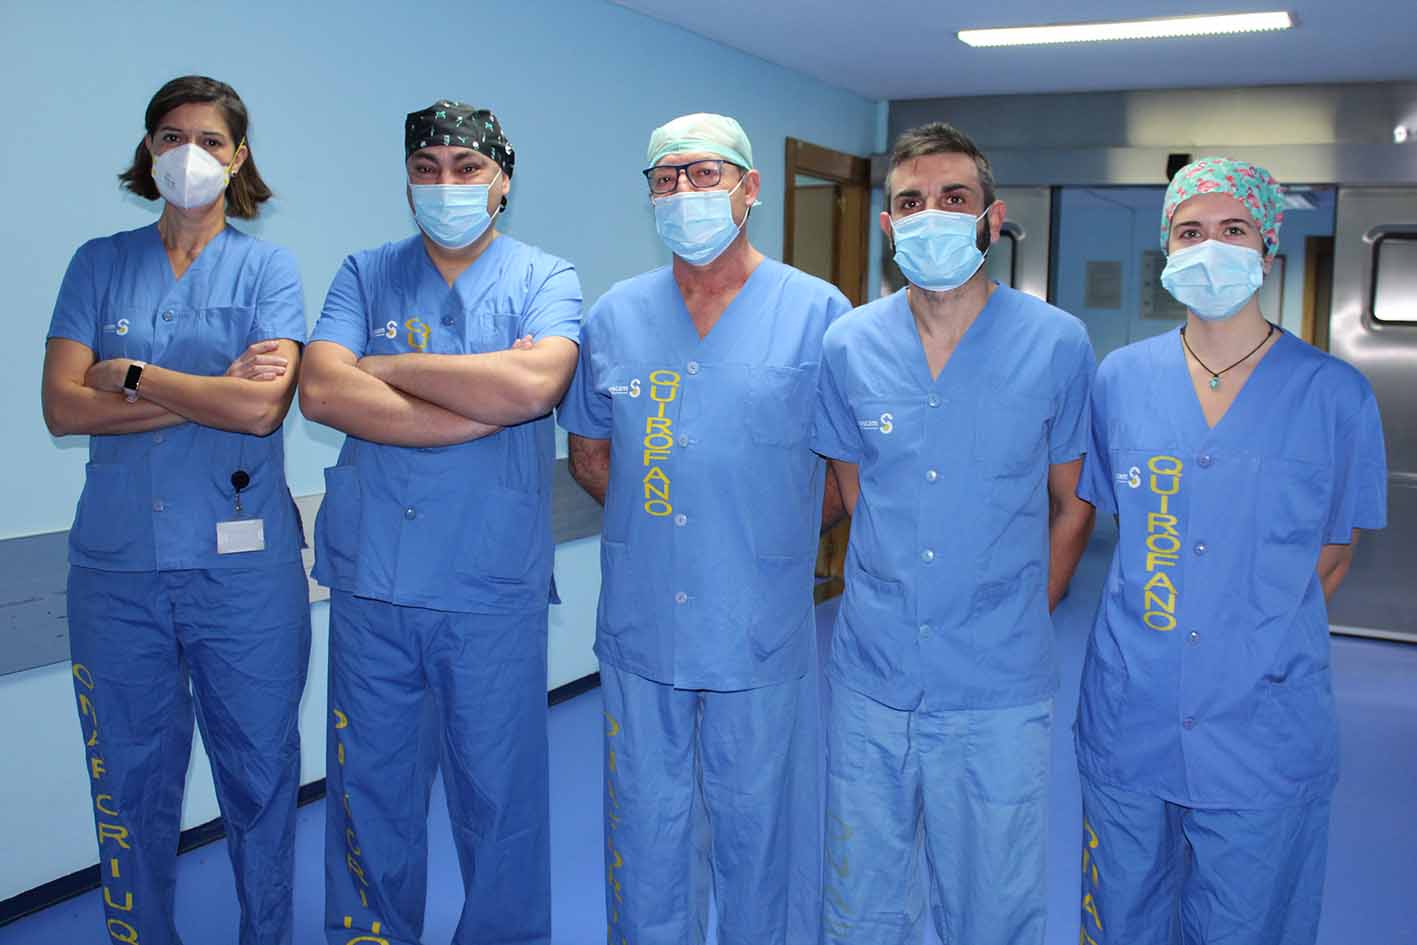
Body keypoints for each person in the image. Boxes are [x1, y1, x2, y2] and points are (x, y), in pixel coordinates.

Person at [1073, 157, 1388, 945]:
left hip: (1262, 721)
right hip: (1131, 709)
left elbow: (1333, 553)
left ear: (1266, 248)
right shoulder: (1121, 380)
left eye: (1232, 228)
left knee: (1248, 924)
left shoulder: (1333, 393)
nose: (1209, 245)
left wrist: (1244, 639)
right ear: (1166, 251)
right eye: (1189, 231)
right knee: (1121, 919)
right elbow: (1120, 528)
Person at [559, 113, 850, 945]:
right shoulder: (616, 317)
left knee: (762, 834)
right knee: (643, 831)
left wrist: (767, 536)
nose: (683, 193)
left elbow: (840, 474)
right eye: (665, 178)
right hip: (643, 622)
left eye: (704, 174)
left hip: (759, 627)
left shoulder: (816, 312)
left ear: (749, 189)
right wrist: (666, 529)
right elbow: (589, 454)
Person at [298, 100, 581, 945]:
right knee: (367, 793)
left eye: (466, 168)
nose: (446, 184)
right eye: (427, 169)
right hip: (374, 583)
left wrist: (384, 368)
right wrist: (470, 395)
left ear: (502, 180)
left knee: (501, 799)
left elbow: (533, 389)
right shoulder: (364, 271)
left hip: (489, 587)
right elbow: (318, 390)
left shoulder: (545, 277)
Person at [811, 121, 1097, 945]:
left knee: (993, 906)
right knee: (863, 900)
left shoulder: (1054, 343)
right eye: (910, 201)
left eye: (953, 197)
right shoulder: (850, 345)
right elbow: (858, 491)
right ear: (886, 224)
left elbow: (1072, 504)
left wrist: (1020, 613)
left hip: (999, 687)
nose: (930, 213)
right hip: (873, 676)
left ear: (990, 217)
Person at [41, 75, 310, 945]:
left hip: (245, 576)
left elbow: (263, 409)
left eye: (206, 139)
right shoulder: (97, 262)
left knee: (259, 776)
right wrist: (209, 389)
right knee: (127, 786)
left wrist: (132, 375)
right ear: (146, 151)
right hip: (116, 573)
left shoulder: (268, 269)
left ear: (238, 159)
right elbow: (62, 407)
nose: (185, 153)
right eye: (167, 136)